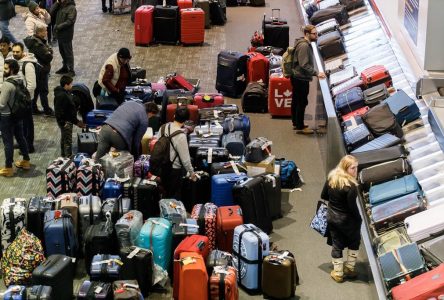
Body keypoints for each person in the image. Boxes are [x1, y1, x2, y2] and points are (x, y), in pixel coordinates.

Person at [320, 155, 361, 283]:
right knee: (354, 242)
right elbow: (352, 207)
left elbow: (323, 195)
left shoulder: (332, 178)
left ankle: (338, 274)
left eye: (356, 168)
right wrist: (358, 219)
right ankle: (349, 268)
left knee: (337, 245)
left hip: (333, 218)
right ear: (345, 168)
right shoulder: (351, 186)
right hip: (348, 221)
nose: (355, 171)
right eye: (353, 168)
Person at [288, 25, 326, 134]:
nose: (316, 35)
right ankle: (300, 126)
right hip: (301, 78)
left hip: (296, 76)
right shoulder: (304, 46)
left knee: (296, 100)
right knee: (302, 102)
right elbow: (304, 64)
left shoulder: (301, 43)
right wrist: (316, 73)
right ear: (307, 34)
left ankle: (296, 123)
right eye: (314, 34)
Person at [157, 106, 197, 199]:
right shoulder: (181, 136)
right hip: (174, 170)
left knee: (165, 192)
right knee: (174, 196)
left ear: (174, 115)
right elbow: (185, 159)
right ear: (186, 120)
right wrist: (192, 173)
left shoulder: (163, 127)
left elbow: (158, 145)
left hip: (162, 167)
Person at [0, 59, 31, 177]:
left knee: (8, 142)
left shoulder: (7, 84)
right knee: (20, 137)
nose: (4, 70)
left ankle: (8, 168)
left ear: (12, 69)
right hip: (18, 114)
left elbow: (2, 104)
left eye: (6, 68)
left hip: (6, 116)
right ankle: (26, 161)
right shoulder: (19, 79)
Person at [12, 42, 38, 153]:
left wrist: (23, 97)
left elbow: (32, 85)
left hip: (26, 100)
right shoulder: (16, 62)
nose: (15, 53)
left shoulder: (28, 65)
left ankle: (29, 146)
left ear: (23, 52)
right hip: (18, 99)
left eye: (17, 52)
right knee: (21, 123)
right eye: (13, 51)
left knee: (27, 123)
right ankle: (23, 142)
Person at [24, 25, 54, 115]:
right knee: (43, 91)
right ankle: (46, 110)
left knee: (36, 90)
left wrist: (48, 50)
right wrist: (49, 51)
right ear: (39, 33)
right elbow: (48, 57)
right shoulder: (38, 44)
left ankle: (33, 108)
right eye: (45, 31)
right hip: (41, 70)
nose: (47, 32)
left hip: (37, 69)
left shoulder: (34, 41)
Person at [54, 75, 84, 157]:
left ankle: (63, 156)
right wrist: (63, 123)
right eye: (71, 84)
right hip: (66, 121)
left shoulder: (63, 93)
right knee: (67, 140)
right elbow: (58, 111)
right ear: (66, 85)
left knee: (64, 138)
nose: (72, 85)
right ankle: (68, 158)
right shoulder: (62, 96)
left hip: (67, 120)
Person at [50, 0, 76, 77]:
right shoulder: (59, 5)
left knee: (68, 52)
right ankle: (65, 67)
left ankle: (71, 70)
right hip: (59, 33)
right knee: (62, 51)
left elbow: (70, 21)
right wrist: (57, 3)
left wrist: (59, 27)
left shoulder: (71, 8)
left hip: (66, 34)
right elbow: (51, 12)